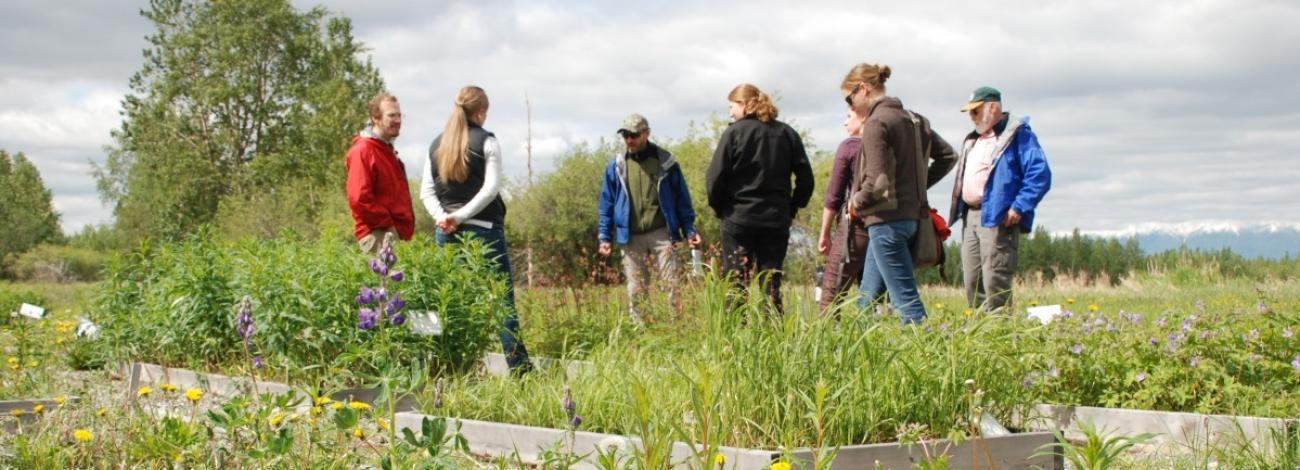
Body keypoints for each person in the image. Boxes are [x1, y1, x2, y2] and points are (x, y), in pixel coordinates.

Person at [421, 86, 531, 373]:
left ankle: (446, 367)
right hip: (484, 231)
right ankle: (519, 369)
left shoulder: (435, 145)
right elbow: (490, 189)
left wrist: (443, 218)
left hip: (446, 234)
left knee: (450, 300)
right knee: (501, 302)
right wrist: (460, 216)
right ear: (481, 112)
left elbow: (426, 191)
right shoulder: (488, 141)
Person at [842, 63, 956, 324]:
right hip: (912, 220)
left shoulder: (877, 122)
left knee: (907, 303)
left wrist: (856, 202)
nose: (850, 105)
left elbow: (878, 182)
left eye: (849, 98)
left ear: (863, 89)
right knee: (867, 298)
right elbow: (948, 156)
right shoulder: (916, 120)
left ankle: (928, 358)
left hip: (886, 224)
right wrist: (915, 187)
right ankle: (855, 355)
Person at [706, 83, 815, 313]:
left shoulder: (734, 133)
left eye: (732, 106)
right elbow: (806, 179)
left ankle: (736, 341)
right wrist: (792, 207)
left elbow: (715, 178)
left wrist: (721, 208)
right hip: (776, 220)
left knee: (736, 285)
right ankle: (774, 340)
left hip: (738, 220)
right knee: (771, 285)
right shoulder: (786, 133)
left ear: (745, 105)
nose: (730, 112)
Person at [949, 87, 1052, 312]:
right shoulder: (973, 139)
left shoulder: (1018, 135)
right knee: (972, 280)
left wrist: (1018, 207)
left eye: (976, 111)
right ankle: (978, 337)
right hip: (970, 216)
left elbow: (1040, 174)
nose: (971, 117)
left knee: (995, 280)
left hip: (998, 217)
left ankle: (1000, 334)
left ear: (993, 107)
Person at [597, 113, 702, 324]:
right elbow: (606, 203)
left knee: (671, 282)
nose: (629, 139)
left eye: (634, 135)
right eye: (625, 135)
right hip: (630, 235)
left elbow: (682, 199)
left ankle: (677, 327)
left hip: (662, 232)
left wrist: (689, 230)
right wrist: (604, 236)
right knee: (636, 287)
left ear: (646, 133)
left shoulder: (666, 162)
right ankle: (640, 329)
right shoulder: (616, 166)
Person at [346, 93, 415, 254]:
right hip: (378, 234)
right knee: (383, 280)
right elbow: (359, 198)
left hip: (392, 233)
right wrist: (388, 224)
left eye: (399, 115)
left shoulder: (385, 150)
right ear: (375, 118)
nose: (398, 120)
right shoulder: (364, 150)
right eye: (391, 115)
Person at [817, 106, 870, 312]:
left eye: (849, 116)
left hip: (856, 226)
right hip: (890, 226)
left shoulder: (850, 146)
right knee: (874, 294)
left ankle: (828, 340)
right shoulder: (889, 145)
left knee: (831, 290)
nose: (845, 122)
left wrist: (825, 233)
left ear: (864, 117)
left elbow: (834, 196)